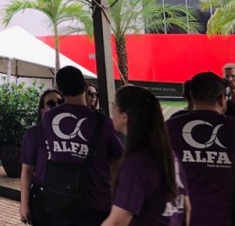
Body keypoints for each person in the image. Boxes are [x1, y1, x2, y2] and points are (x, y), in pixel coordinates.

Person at [42, 66, 123, 226]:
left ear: (60, 91)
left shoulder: (48, 118)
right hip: (98, 201)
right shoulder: (104, 122)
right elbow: (118, 159)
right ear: (86, 87)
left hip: (61, 198)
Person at [103, 85, 189, 226]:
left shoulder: (136, 163)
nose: (112, 112)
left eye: (114, 107)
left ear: (124, 116)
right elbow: (186, 208)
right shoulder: (170, 156)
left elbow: (118, 221)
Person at [166, 72, 234, 225]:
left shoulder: (169, 127)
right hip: (226, 217)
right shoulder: (231, 126)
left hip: (184, 217)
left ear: (191, 96)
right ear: (221, 100)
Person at [20, 89, 63, 226]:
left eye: (60, 102)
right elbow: (27, 171)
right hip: (43, 197)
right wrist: (24, 204)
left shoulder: (72, 132)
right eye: (51, 104)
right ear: (42, 110)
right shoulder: (35, 133)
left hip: (69, 196)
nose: (57, 106)